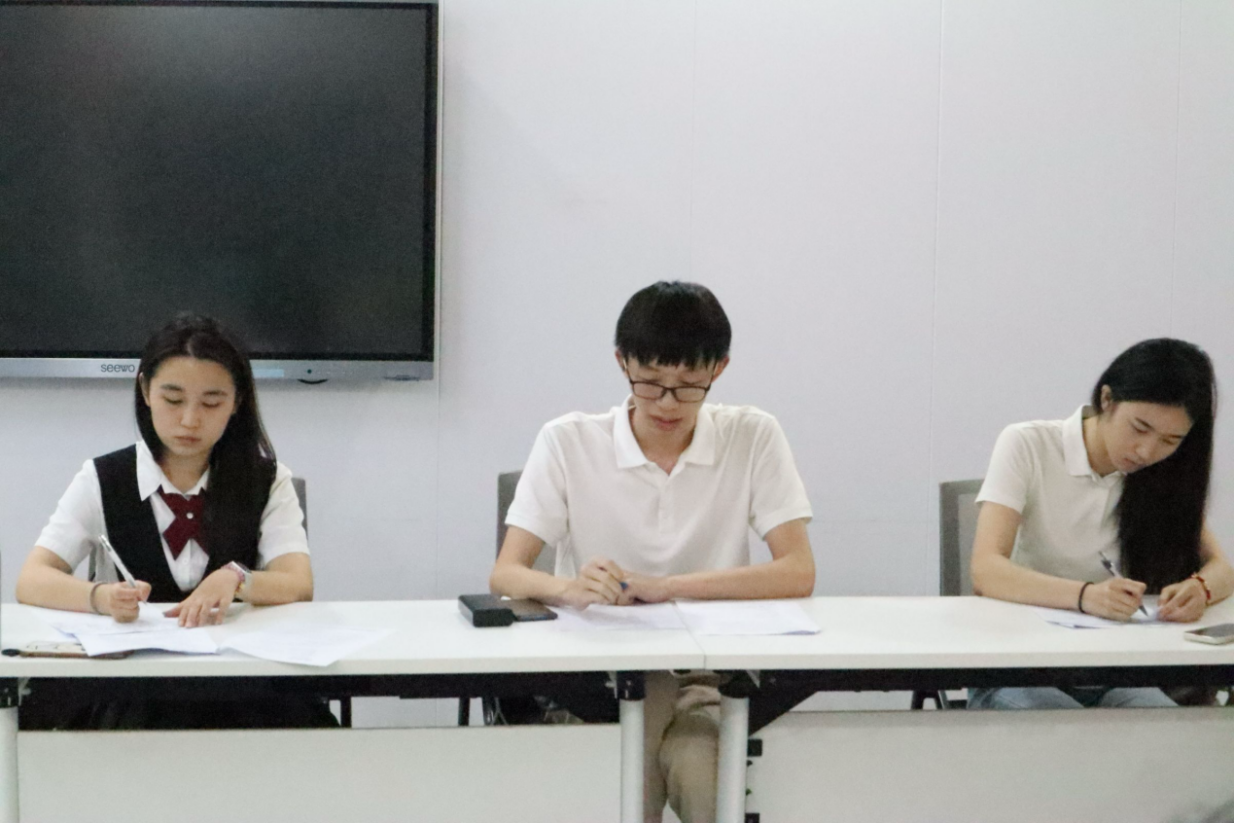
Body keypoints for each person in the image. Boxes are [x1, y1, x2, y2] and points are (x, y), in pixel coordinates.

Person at [490, 281, 814, 822]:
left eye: (688, 386)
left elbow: (797, 571)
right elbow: (506, 572)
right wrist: (569, 588)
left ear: (719, 370)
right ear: (622, 363)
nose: (667, 403)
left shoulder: (752, 435)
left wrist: (665, 588)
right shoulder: (568, 441)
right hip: (603, 678)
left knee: (699, 772)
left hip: (709, 679)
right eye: (651, 383)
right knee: (630, 775)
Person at [16, 313, 329, 728]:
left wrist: (238, 578)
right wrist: (100, 597)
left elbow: (298, 582)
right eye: (174, 400)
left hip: (245, 687)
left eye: (212, 402)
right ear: (145, 390)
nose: (190, 420)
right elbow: (32, 579)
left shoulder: (267, 480)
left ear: (237, 402)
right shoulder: (104, 478)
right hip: (135, 693)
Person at [969, 337, 1233, 710]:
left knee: (1165, 730)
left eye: (1170, 440)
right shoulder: (1028, 444)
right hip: (1020, 664)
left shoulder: (1161, 476)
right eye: (1139, 428)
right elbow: (986, 570)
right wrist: (1086, 596)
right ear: (1107, 399)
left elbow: (1222, 569)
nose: (1147, 451)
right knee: (1067, 733)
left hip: (1113, 668)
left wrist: (1200, 590)